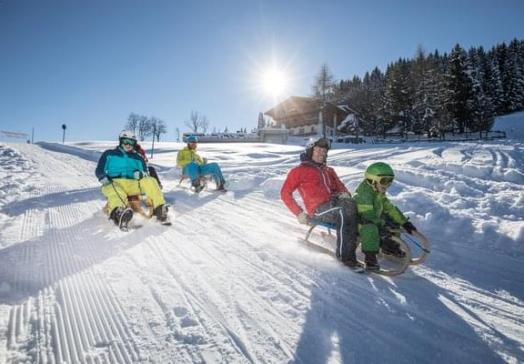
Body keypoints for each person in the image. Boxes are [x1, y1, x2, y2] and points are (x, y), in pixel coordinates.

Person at [281, 137, 360, 268]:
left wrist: (346, 195)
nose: (322, 153)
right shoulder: (299, 171)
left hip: (335, 204)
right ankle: (345, 256)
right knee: (345, 208)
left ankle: (375, 245)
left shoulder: (329, 171)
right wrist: (299, 213)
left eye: (324, 151)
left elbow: (341, 188)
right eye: (318, 150)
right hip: (318, 210)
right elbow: (285, 193)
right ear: (310, 150)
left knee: (356, 206)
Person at [95, 130, 169, 226]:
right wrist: (102, 177)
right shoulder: (109, 154)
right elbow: (99, 169)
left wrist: (141, 174)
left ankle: (159, 209)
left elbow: (145, 173)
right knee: (115, 192)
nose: (128, 144)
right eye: (126, 141)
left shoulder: (138, 157)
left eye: (131, 142)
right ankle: (119, 213)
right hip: (114, 183)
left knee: (151, 180)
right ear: (121, 141)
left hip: (133, 185)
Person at [353, 162, 417, 271]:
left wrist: (404, 222)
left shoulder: (378, 192)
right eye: (384, 181)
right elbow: (368, 215)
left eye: (390, 181)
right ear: (371, 180)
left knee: (392, 222)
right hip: (360, 223)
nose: (387, 185)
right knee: (371, 229)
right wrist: (381, 226)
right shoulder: (363, 194)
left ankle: (390, 248)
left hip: (374, 220)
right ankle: (370, 258)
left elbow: (389, 208)